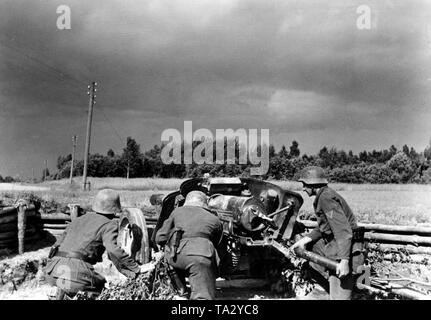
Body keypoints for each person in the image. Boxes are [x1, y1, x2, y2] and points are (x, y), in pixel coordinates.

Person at [44, 189, 146, 298]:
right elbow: (113, 250)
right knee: (101, 288)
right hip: (76, 275)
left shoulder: (78, 219)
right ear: (115, 209)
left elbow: (56, 245)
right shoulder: (109, 224)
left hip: (52, 271)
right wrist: (135, 269)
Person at [290, 166, 364, 300]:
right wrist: (303, 241)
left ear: (314, 185)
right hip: (336, 248)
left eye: (305, 184)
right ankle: (323, 291)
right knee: (312, 247)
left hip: (347, 251)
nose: (303, 188)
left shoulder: (325, 198)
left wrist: (344, 261)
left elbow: (344, 231)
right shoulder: (324, 195)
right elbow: (324, 227)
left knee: (340, 297)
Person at [155, 190, 223, 300]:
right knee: (202, 297)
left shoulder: (177, 212)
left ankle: (180, 292)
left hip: (176, 256)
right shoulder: (215, 219)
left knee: (165, 257)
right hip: (201, 258)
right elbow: (217, 243)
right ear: (204, 203)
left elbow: (160, 238)